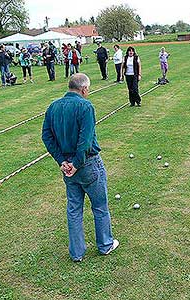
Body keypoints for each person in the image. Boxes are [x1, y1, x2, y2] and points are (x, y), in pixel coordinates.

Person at [41, 73, 119, 262]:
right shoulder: (85, 106)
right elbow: (85, 142)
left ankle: (77, 253)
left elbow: (46, 137)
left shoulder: (53, 107)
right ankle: (105, 244)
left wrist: (62, 162)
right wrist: (74, 164)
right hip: (86, 164)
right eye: (88, 89)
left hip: (68, 166)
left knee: (74, 208)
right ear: (84, 89)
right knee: (100, 206)